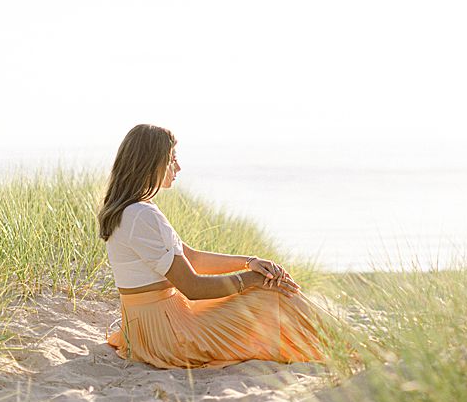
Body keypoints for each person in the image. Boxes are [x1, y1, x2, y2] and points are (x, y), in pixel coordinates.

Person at [102, 124, 337, 369]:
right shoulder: (140, 215)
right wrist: (252, 279)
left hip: (154, 324)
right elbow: (192, 287)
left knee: (268, 289)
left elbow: (191, 257)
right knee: (270, 293)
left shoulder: (136, 210)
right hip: (169, 334)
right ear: (150, 163)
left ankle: (341, 342)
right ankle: (346, 346)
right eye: (172, 159)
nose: (178, 167)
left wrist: (250, 262)